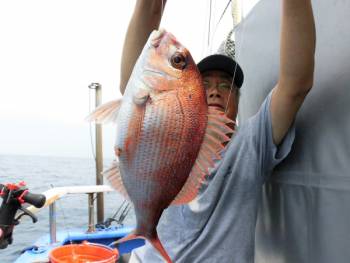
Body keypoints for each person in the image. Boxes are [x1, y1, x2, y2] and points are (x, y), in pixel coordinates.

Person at [119, 0, 315, 262]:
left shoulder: (252, 141)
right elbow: (131, 85)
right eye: (206, 84)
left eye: (226, 86)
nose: (214, 90)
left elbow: (296, 85)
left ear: (238, 99)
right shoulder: (165, 130)